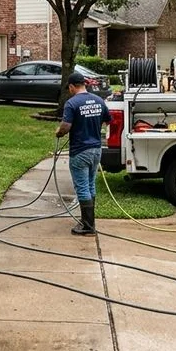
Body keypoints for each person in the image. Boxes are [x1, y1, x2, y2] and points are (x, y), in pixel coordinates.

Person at [55, 71, 110, 235]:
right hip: (96, 150)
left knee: (82, 188)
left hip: (80, 151)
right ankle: (90, 222)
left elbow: (66, 126)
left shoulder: (72, 103)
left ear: (72, 86)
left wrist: (59, 133)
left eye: (69, 88)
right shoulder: (99, 100)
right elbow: (107, 120)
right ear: (84, 84)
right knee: (90, 185)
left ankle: (87, 226)